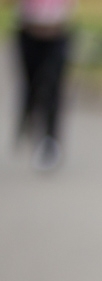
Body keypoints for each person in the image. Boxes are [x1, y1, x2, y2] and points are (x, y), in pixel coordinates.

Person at [12, 0, 73, 170]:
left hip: (57, 31)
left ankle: (50, 138)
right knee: (31, 86)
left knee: (53, 87)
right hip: (30, 30)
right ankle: (29, 124)